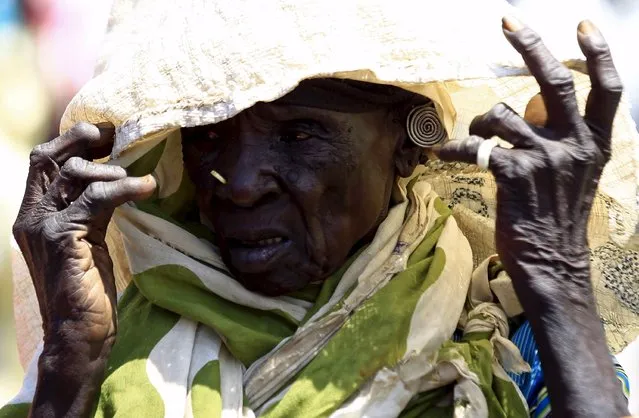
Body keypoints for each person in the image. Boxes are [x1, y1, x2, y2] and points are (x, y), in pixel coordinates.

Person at [1, 8, 635, 418]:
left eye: (301, 134)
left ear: (410, 143)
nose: (239, 186)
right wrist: (71, 360)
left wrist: (556, 276)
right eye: (210, 137)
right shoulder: (113, 340)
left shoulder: (511, 337)